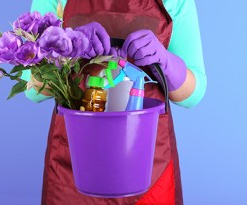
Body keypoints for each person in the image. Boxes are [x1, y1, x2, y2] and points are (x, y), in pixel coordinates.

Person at [21, 0, 207, 204]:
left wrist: (166, 61)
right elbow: (32, 89)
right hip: (74, 164)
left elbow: (192, 95)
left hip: (147, 166)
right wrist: (69, 46)